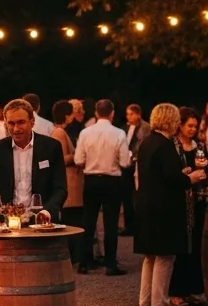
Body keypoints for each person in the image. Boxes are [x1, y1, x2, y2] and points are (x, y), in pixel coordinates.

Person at [135, 103, 208, 306]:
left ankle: (145, 300)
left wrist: (180, 172)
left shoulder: (147, 142)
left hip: (146, 205)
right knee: (165, 256)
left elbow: (158, 174)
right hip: (163, 207)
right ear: (170, 120)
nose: (178, 122)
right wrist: (191, 177)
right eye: (176, 119)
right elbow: (172, 179)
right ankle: (160, 302)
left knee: (150, 256)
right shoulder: (165, 145)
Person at [0, 98, 67, 221]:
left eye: (21, 122)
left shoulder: (51, 147)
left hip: (43, 223)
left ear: (32, 122)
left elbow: (60, 188)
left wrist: (46, 213)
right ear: (5, 123)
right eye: (11, 123)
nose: (16, 129)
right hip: (7, 223)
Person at [74, 99, 131, 276]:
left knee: (88, 221)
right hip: (112, 181)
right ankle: (110, 264)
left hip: (91, 180)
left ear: (96, 113)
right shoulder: (119, 133)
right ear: (112, 113)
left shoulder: (85, 133)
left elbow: (78, 160)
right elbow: (124, 162)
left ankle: (84, 262)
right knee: (111, 223)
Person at [169, 107, 208, 306]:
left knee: (195, 246)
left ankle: (192, 289)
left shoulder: (199, 146)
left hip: (197, 200)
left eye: (195, 126)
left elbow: (206, 170)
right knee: (180, 246)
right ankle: (176, 291)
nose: (192, 129)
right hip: (180, 200)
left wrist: (206, 171)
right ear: (180, 126)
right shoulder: (174, 146)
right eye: (189, 125)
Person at [51, 100, 83, 263]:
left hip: (72, 183)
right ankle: (73, 257)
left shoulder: (60, 132)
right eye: (71, 114)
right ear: (66, 116)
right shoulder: (59, 133)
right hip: (70, 183)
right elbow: (61, 159)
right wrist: (78, 155)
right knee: (72, 221)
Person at [121, 104, 150, 236]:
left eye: (131, 114)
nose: (129, 116)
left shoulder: (145, 127)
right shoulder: (126, 127)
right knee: (126, 195)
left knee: (137, 195)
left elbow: (144, 144)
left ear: (138, 114)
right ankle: (129, 225)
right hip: (127, 164)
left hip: (138, 163)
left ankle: (140, 225)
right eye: (127, 114)